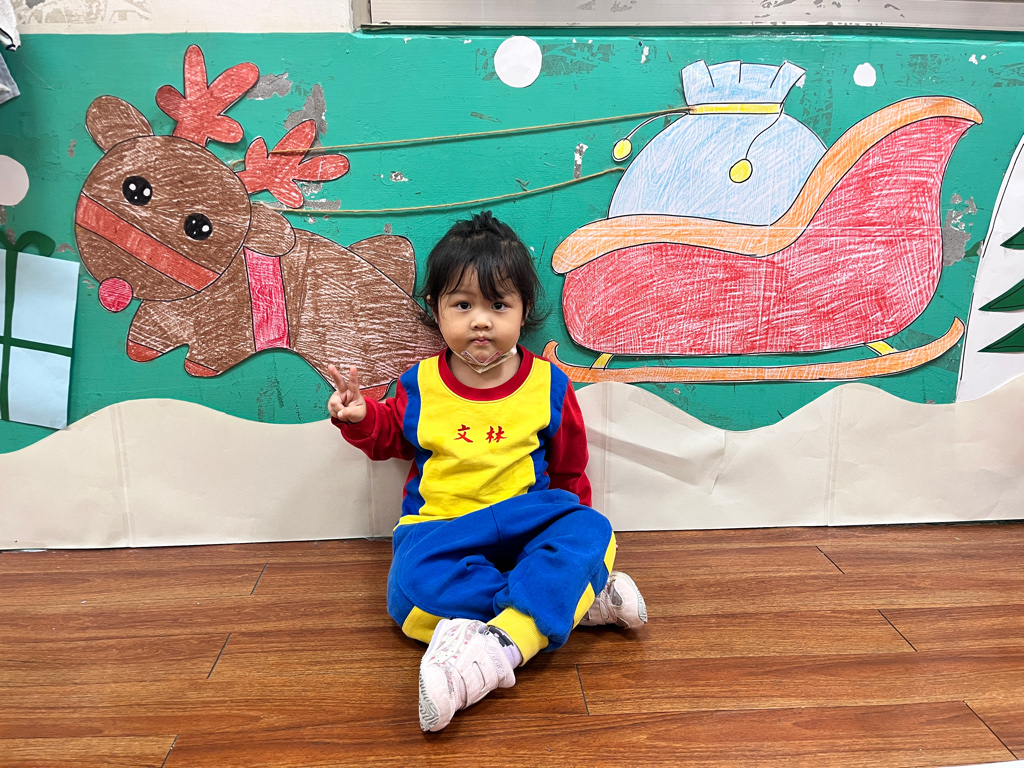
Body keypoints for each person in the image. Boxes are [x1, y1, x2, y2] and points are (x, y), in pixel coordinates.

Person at [328, 210, 646, 732]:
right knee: (406, 595)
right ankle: (572, 598)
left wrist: (574, 534)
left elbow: (570, 471)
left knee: (592, 530)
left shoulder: (549, 385)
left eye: (499, 305)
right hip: (441, 529)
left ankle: (497, 646)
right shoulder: (418, 384)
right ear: (436, 309)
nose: (481, 321)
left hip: (527, 522)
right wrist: (361, 418)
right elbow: (389, 439)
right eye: (463, 305)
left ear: (523, 312)